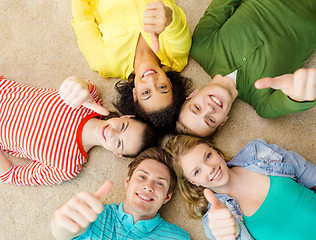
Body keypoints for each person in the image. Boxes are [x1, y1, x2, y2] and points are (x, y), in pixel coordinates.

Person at [177, 0, 316, 137]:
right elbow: (292, 100)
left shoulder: (201, 47)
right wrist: (298, 93)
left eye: (197, 107)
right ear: (223, 122)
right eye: (210, 120)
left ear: (192, 95)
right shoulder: (264, 105)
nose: (209, 109)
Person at [165, 135, 316, 240]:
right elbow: (228, 233)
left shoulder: (259, 153)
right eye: (196, 171)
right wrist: (230, 230)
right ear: (193, 182)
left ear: (214, 150)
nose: (209, 168)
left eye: (208, 156)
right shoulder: (214, 220)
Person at [0, 76, 158, 185]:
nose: (111, 132)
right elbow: (74, 84)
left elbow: (10, 175)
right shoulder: (90, 99)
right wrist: (77, 86)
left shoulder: (67, 167)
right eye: (123, 127)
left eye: (118, 143)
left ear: (118, 154)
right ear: (127, 116)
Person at [71, 0, 192, 130]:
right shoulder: (176, 55)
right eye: (162, 87)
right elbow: (176, 25)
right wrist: (168, 16)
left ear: (135, 94)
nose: (151, 80)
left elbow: (82, 22)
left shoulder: (104, 62)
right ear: (170, 82)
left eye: (146, 92)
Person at [50, 147, 190, 240]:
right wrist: (60, 221)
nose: (148, 187)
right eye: (142, 177)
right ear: (127, 182)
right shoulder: (93, 215)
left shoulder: (178, 237)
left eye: (160, 183)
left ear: (167, 197)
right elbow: (63, 232)